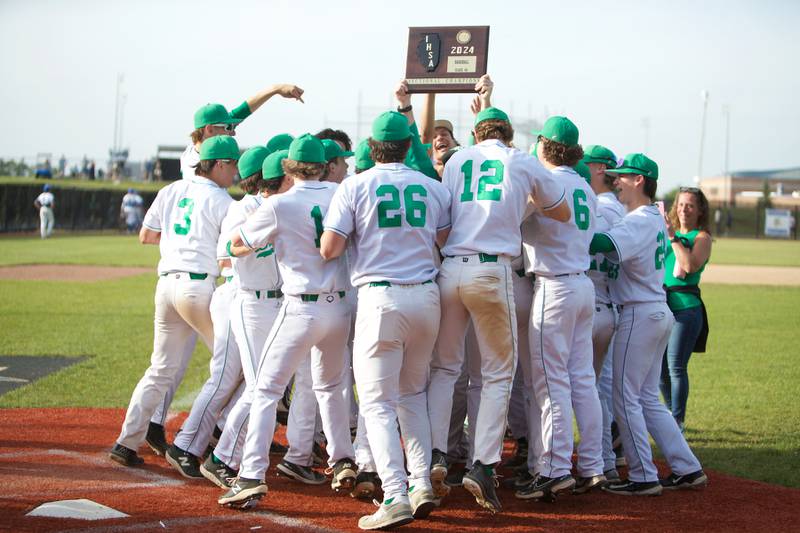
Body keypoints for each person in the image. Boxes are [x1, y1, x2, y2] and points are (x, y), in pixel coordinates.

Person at [427, 107, 569, 513]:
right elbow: (562, 210)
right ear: (508, 134)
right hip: (492, 269)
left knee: (445, 369)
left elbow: (444, 221)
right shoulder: (520, 160)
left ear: (476, 133)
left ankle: (436, 454)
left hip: (451, 267)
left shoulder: (457, 160)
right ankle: (483, 464)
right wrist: (524, 203)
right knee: (497, 373)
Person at [320, 111, 451, 530]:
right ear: (409, 146)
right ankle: (420, 483)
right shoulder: (432, 186)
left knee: (377, 404)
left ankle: (394, 493)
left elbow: (330, 248)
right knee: (413, 395)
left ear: (372, 147)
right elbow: (444, 240)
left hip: (381, 297)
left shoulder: (355, 185)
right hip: (426, 295)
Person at [218, 134, 356, 509]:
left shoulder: (280, 203)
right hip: (339, 306)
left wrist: (252, 242)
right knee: (331, 387)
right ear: (323, 166)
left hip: (300, 306)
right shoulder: (341, 193)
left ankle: (251, 475)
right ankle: (343, 459)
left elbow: (236, 245)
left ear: (290, 169)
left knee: (265, 390)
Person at [109, 136, 238, 467]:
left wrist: (180, 243)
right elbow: (226, 257)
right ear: (219, 164)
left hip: (166, 285)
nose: (235, 172)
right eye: (232, 164)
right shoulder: (224, 201)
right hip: (197, 288)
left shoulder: (171, 190)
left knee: (160, 369)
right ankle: (204, 439)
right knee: (234, 367)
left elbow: (147, 235)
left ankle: (126, 442)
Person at [589, 153, 707, 495]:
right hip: (655, 310)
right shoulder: (653, 216)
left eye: (623, 176)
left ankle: (643, 476)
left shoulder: (640, 219)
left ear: (639, 180)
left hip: (639, 312)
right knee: (647, 399)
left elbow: (603, 244)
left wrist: (571, 224)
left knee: (625, 397)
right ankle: (687, 467)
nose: (616, 181)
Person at [516, 117, 605, 500]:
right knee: (582, 379)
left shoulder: (546, 182)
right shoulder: (585, 186)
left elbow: (512, 219)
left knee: (551, 382)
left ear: (544, 144)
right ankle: (593, 465)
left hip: (554, 287)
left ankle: (554, 469)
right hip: (582, 285)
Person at [200, 149, 294, 487]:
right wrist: (254, 243)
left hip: (275, 303)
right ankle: (221, 457)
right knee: (258, 387)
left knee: (267, 387)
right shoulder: (247, 209)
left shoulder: (281, 207)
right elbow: (226, 252)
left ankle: (233, 454)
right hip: (251, 302)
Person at [583, 144, 625, 480]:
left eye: (587, 164)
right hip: (612, 306)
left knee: (585, 388)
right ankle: (608, 459)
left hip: (589, 305)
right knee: (603, 387)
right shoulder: (622, 211)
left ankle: (597, 462)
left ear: (600, 169)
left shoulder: (598, 207)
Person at [660, 187, 712, 432]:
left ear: (700, 210)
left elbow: (689, 265)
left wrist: (673, 237)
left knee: (676, 367)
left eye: (690, 205)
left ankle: (677, 422)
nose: (684, 209)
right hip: (663, 307)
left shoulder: (701, 238)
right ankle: (672, 416)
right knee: (659, 370)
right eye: (681, 204)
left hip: (686, 310)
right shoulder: (667, 233)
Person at [181, 84, 305, 180]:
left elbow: (243, 110)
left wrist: (276, 89)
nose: (233, 132)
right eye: (228, 127)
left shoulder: (196, 150)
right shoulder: (197, 168)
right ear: (209, 129)